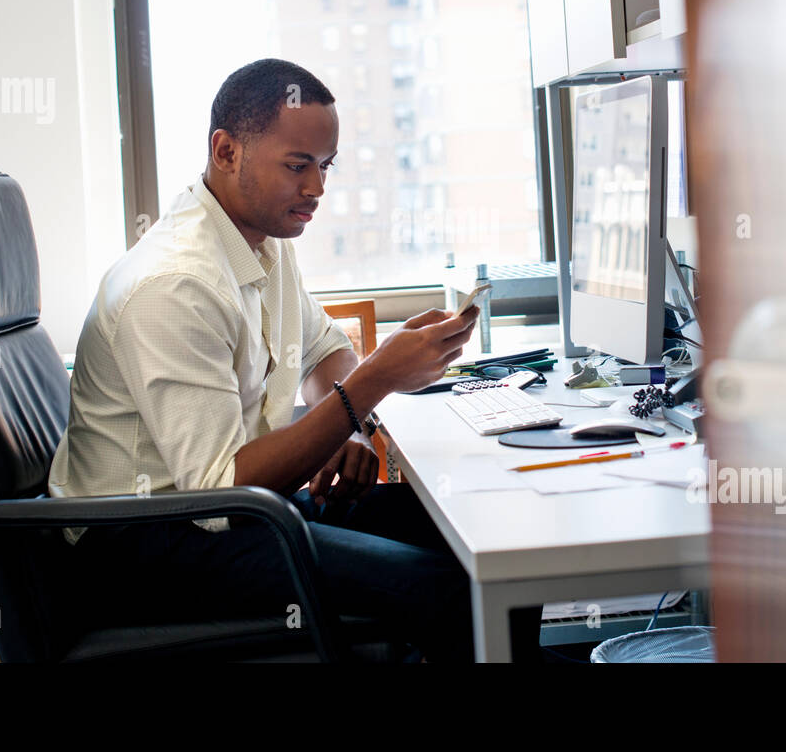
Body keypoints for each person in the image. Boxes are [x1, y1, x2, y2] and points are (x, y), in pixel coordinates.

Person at [48, 58, 539, 661]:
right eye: (297, 165)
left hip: (234, 511)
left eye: (325, 167)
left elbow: (323, 351)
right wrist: (374, 382)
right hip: (146, 544)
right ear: (226, 151)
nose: (317, 189)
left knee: (494, 535)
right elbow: (220, 486)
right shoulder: (174, 285)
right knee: (445, 587)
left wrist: (346, 424)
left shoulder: (260, 240)